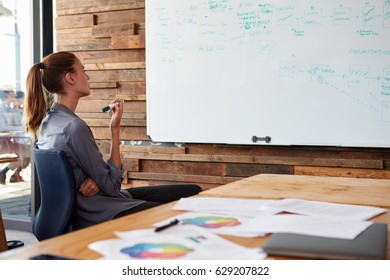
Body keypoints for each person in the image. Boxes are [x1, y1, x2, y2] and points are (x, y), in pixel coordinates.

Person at [24, 51, 202, 230]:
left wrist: (95, 178)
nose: (88, 76)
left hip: (96, 203)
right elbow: (111, 186)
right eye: (83, 71)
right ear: (70, 78)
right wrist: (114, 129)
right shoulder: (74, 127)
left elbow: (81, 174)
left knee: (192, 191)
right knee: (184, 214)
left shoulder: (47, 123)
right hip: (102, 211)